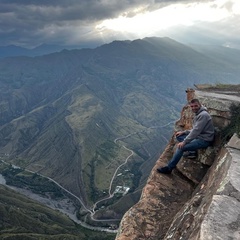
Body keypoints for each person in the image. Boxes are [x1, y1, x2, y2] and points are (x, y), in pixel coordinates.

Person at [157, 98, 215, 174]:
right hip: (199, 136)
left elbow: (196, 131)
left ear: (199, 105)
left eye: (195, 106)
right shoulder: (199, 114)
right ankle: (192, 152)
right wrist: (184, 132)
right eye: (192, 106)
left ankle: (169, 168)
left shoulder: (203, 115)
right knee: (179, 136)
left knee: (181, 147)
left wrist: (184, 142)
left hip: (204, 140)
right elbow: (196, 129)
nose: (193, 108)